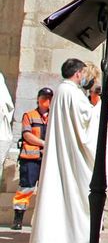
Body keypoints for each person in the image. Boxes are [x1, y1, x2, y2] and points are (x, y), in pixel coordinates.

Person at [30, 58, 108, 242]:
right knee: (74, 196)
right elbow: (88, 122)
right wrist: (100, 106)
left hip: (64, 151)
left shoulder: (61, 91)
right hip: (72, 155)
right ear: (78, 73)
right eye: (83, 73)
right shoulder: (73, 93)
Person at [9, 87, 52, 231]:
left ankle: (43, 220)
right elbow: (27, 135)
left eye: (49, 98)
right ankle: (18, 218)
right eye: (44, 98)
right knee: (26, 188)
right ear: (38, 99)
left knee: (46, 190)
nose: (47, 101)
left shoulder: (54, 117)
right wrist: (44, 143)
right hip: (31, 158)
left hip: (47, 158)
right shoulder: (30, 115)